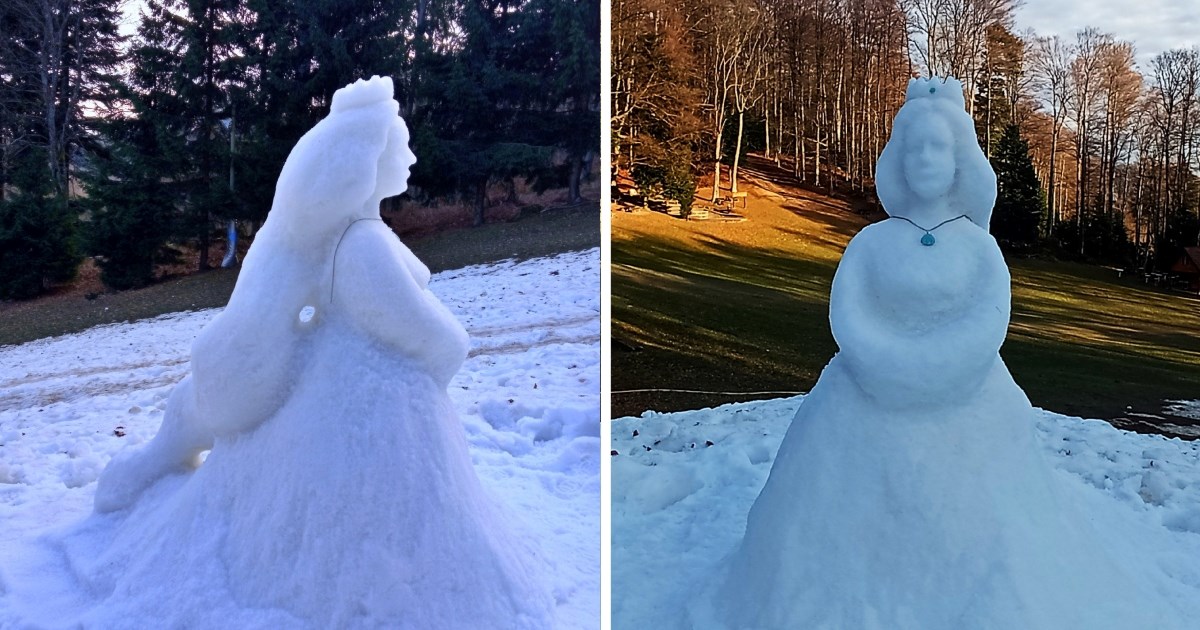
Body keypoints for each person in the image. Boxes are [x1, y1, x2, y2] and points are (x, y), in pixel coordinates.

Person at [705, 77, 1182, 630]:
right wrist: (883, 363)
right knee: (828, 514)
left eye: (938, 147)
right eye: (914, 148)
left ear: (960, 161)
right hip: (860, 399)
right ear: (897, 159)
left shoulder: (979, 246)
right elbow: (848, 314)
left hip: (970, 401)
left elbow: (987, 320)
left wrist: (941, 368)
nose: (925, 159)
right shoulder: (870, 243)